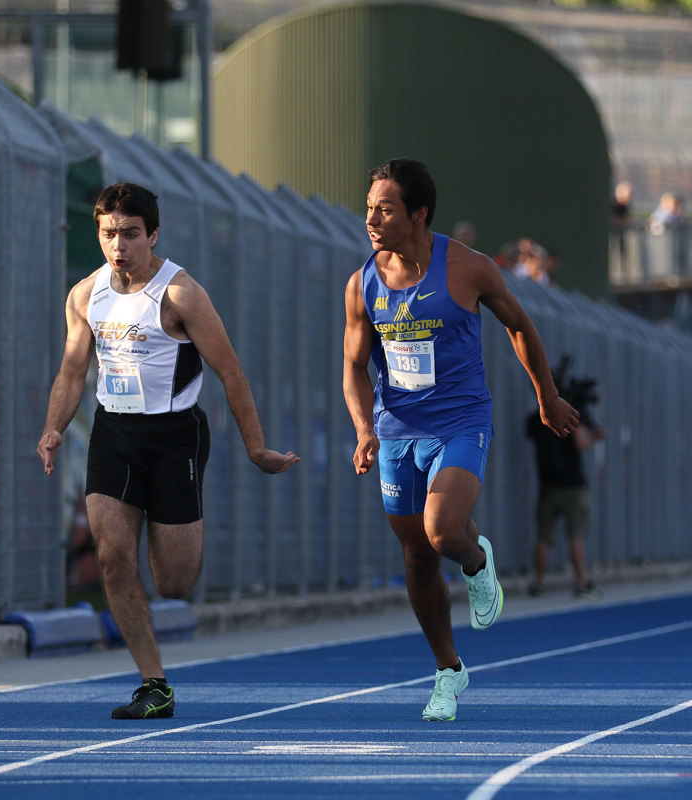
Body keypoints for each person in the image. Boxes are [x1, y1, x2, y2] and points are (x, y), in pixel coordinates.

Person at [37, 183, 299, 720]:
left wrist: (256, 448)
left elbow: (231, 373)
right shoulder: (85, 295)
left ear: (153, 235)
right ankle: (154, 684)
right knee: (113, 560)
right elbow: (72, 371)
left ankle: (182, 521)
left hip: (175, 436)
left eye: (130, 234)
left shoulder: (181, 294)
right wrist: (52, 428)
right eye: (109, 234)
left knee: (173, 583)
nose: (119, 245)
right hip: (114, 434)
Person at [343, 159, 578, 723]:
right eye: (369, 208)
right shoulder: (362, 283)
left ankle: (476, 558)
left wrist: (546, 396)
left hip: (460, 422)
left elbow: (519, 325)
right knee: (417, 558)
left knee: (443, 530)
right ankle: (448, 671)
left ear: (418, 214)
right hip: (397, 430)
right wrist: (364, 428)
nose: (371, 219)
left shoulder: (468, 268)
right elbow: (353, 365)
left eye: (385, 209)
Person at [525, 372, 605, 598]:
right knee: (576, 536)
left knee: (543, 537)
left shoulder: (534, 420)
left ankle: (539, 582)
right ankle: (581, 582)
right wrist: (595, 436)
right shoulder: (569, 415)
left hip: (547, 485)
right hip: (573, 485)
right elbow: (581, 444)